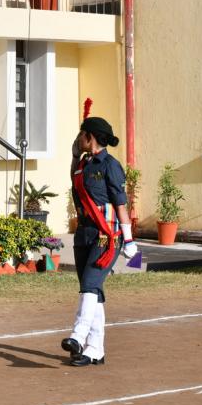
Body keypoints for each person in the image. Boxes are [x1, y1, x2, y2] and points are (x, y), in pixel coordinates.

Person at [61, 116, 137, 367]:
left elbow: (121, 204)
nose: (78, 139)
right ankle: (95, 349)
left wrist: (129, 240)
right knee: (92, 289)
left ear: (89, 136)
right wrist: (74, 156)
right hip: (84, 234)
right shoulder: (83, 163)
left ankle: (78, 336)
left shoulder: (110, 165)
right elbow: (74, 181)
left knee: (90, 284)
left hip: (107, 236)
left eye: (80, 134)